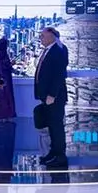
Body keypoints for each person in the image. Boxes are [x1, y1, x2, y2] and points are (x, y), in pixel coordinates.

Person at [35, 26, 68, 168]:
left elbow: (59, 75)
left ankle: (60, 156)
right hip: (47, 96)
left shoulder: (58, 50)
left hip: (54, 97)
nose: (40, 38)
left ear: (51, 36)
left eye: (43, 36)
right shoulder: (49, 50)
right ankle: (53, 153)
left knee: (56, 126)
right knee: (51, 126)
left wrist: (52, 94)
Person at [0, 38, 16, 121]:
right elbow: (5, 66)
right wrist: (11, 64)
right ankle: (6, 116)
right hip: (5, 79)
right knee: (6, 97)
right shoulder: (3, 54)